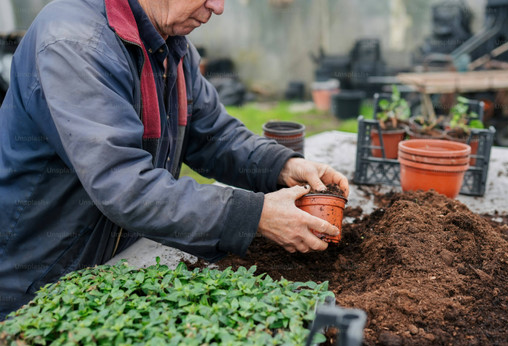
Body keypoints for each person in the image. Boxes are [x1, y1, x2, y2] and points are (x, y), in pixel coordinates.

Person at [0, 0, 349, 319]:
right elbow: (124, 186)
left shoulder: (169, 45)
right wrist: (253, 215)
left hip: (111, 264)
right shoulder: (75, 42)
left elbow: (214, 136)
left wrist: (281, 166)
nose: (219, 7)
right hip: (35, 279)